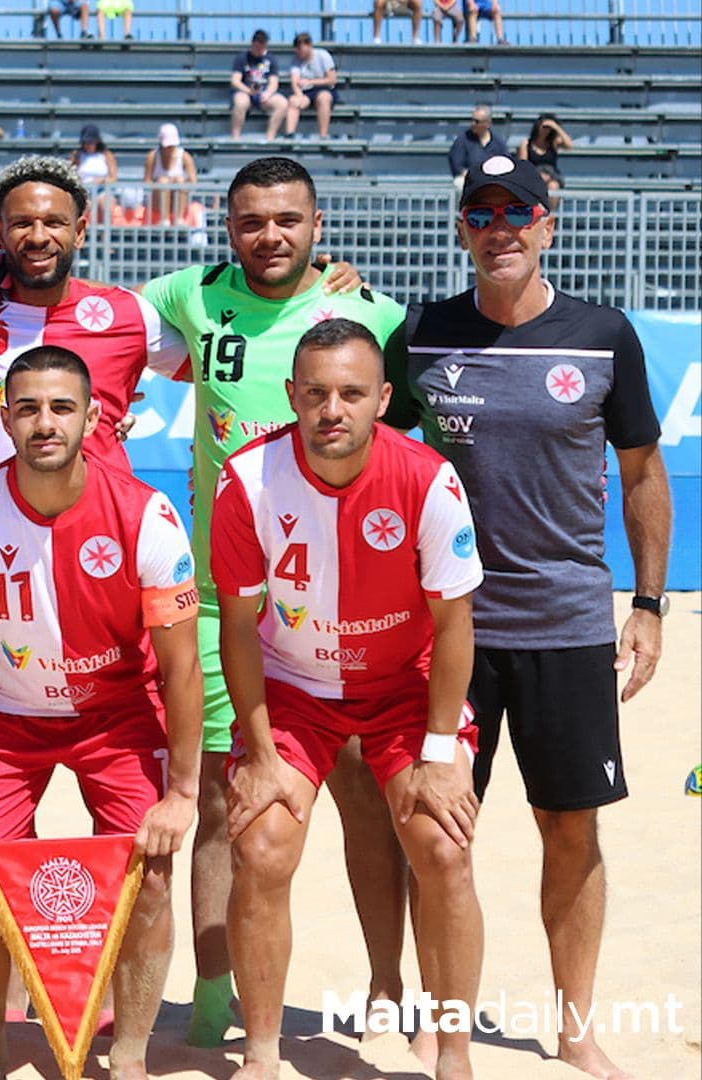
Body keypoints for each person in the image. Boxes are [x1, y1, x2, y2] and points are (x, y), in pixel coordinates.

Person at [383, 154, 672, 1080]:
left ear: (547, 225)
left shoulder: (603, 334)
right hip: (448, 633)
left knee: (572, 830)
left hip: (567, 627)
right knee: (437, 834)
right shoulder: (422, 334)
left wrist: (651, 604)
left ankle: (575, 1027)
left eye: (517, 213)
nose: (499, 227)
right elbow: (370, 453)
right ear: (463, 230)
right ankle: (441, 1021)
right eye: (481, 215)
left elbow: (641, 475)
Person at [140, 157, 410, 1051]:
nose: (270, 236)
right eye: (252, 220)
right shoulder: (188, 295)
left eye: (287, 220)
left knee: (364, 796)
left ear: (317, 224)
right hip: (233, 601)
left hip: (349, 600)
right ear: (227, 227)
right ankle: (215, 1002)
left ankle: (385, 984)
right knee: (226, 795)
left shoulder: (369, 314)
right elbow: (88, 323)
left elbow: (414, 451)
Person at [215, 318, 487, 1080]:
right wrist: (262, 752)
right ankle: (262, 1056)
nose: (333, 408)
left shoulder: (426, 478)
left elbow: (454, 622)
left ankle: (454, 1056)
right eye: (318, 393)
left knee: (443, 846)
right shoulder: (247, 480)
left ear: (382, 399)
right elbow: (237, 627)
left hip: (404, 686)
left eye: (352, 394)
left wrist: (440, 753)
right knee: (261, 847)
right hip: (296, 691)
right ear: (292, 395)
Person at [0, 345, 200, 1080]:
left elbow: (179, 668)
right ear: (4, 417)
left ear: (93, 416)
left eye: (61, 407)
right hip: (4, 721)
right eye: (28, 408)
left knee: (154, 868)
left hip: (117, 716)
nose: (45, 423)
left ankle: (131, 1055)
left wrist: (182, 793)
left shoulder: (147, 516)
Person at [0, 156, 186, 482]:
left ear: (80, 231)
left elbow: (220, 376)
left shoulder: (129, 314)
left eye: (55, 222)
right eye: (21, 223)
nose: (39, 237)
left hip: (101, 525)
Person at [230, 30, 288, 141]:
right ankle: (235, 137)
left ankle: (270, 137)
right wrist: (248, 90)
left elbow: (274, 82)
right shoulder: (242, 58)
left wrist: (268, 93)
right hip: (245, 91)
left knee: (283, 103)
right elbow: (235, 81)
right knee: (241, 102)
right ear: (252, 44)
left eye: (262, 47)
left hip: (264, 92)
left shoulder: (270, 59)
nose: (259, 50)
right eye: (257, 47)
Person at [285, 33, 338, 139]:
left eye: (301, 48)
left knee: (323, 97)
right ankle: (290, 134)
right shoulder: (296, 60)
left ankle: (323, 135)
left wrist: (311, 82)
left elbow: (332, 80)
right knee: (293, 101)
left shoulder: (323, 55)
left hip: (324, 89)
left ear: (309, 45)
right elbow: (294, 81)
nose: (299, 52)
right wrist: (299, 95)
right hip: (306, 92)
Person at [142, 121, 191, 224]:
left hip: (178, 198)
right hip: (158, 200)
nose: (169, 149)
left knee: (180, 181)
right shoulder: (152, 157)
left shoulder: (185, 157)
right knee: (163, 182)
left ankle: (179, 218)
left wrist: (177, 181)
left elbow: (193, 182)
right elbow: (146, 181)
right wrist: (161, 182)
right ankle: (164, 220)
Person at [448, 104, 509, 181]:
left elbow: (506, 164)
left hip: (493, 181)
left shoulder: (498, 142)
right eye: (472, 120)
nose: (473, 124)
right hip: (470, 180)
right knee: (459, 182)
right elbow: (457, 167)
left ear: (487, 123)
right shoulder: (463, 140)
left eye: (477, 121)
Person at [517, 113, 572, 188]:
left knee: (553, 186)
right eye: (544, 127)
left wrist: (556, 127)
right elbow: (523, 165)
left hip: (551, 175)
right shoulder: (526, 143)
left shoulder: (553, 142)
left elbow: (569, 146)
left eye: (549, 128)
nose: (546, 130)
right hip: (532, 175)